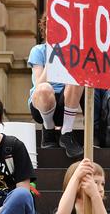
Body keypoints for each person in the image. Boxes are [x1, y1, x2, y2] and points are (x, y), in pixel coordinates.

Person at [29, 13, 84, 158]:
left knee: (78, 79)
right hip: (41, 104)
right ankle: (48, 130)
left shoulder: (73, 51)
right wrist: (52, 58)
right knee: (44, 88)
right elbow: (39, 84)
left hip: (65, 104)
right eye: (50, 27)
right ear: (45, 30)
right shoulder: (38, 51)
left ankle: (66, 133)